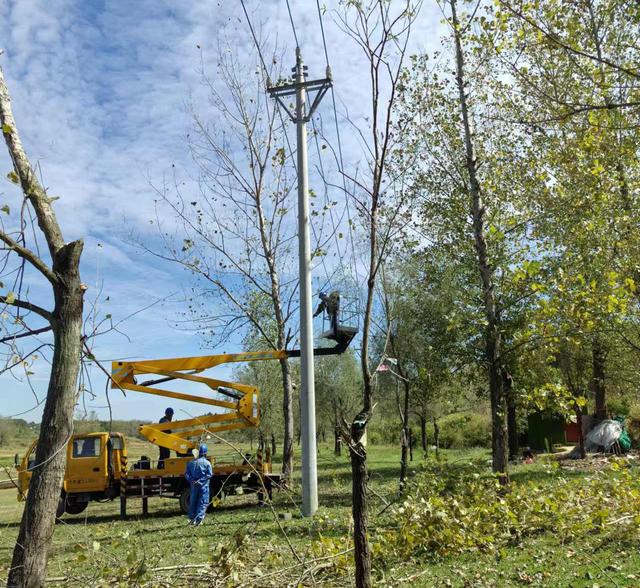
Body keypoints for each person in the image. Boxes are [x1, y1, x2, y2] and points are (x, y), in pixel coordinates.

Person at [185, 443, 213, 526]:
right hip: (203, 486)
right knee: (203, 502)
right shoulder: (207, 463)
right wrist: (201, 481)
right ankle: (199, 520)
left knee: (193, 502)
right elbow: (209, 474)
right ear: (205, 453)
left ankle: (192, 519)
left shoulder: (190, 463)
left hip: (194, 487)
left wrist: (192, 480)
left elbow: (186, 474)